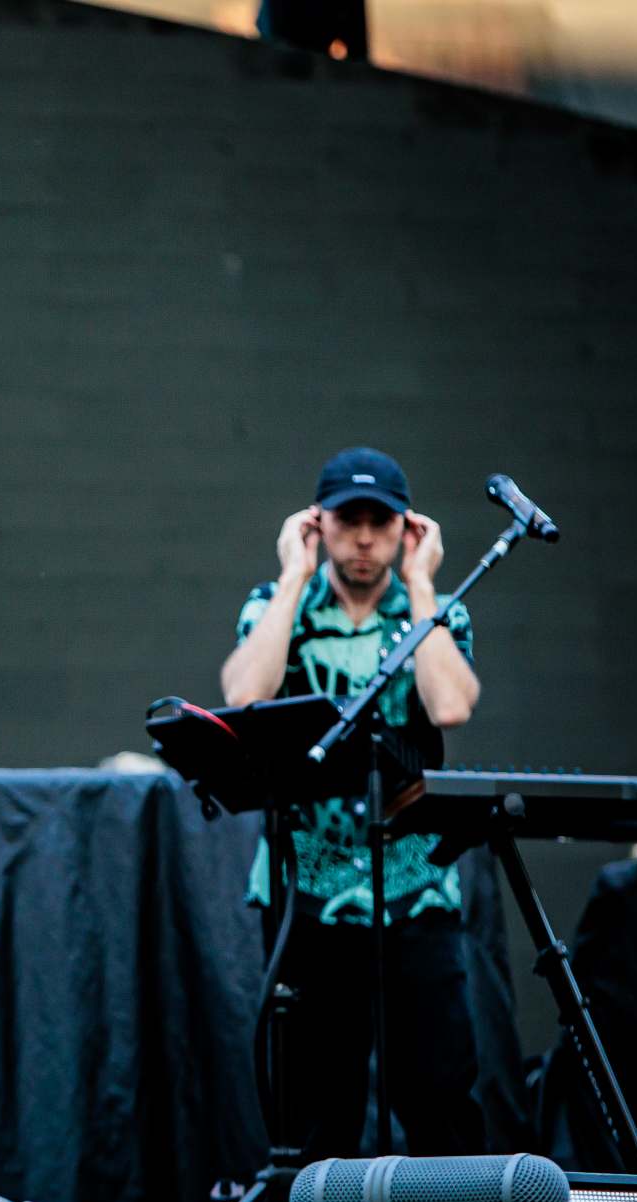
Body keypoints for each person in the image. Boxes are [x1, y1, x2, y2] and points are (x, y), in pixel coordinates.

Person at [220, 446, 487, 1160]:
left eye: (381, 521)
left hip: (414, 890)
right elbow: (244, 697)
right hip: (309, 892)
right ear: (318, 524)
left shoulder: (428, 614)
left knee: (440, 1098)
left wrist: (423, 590)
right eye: (347, 520)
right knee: (315, 1114)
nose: (364, 538)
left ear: (407, 528)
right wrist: (291, 575)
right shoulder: (280, 606)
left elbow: (452, 704)